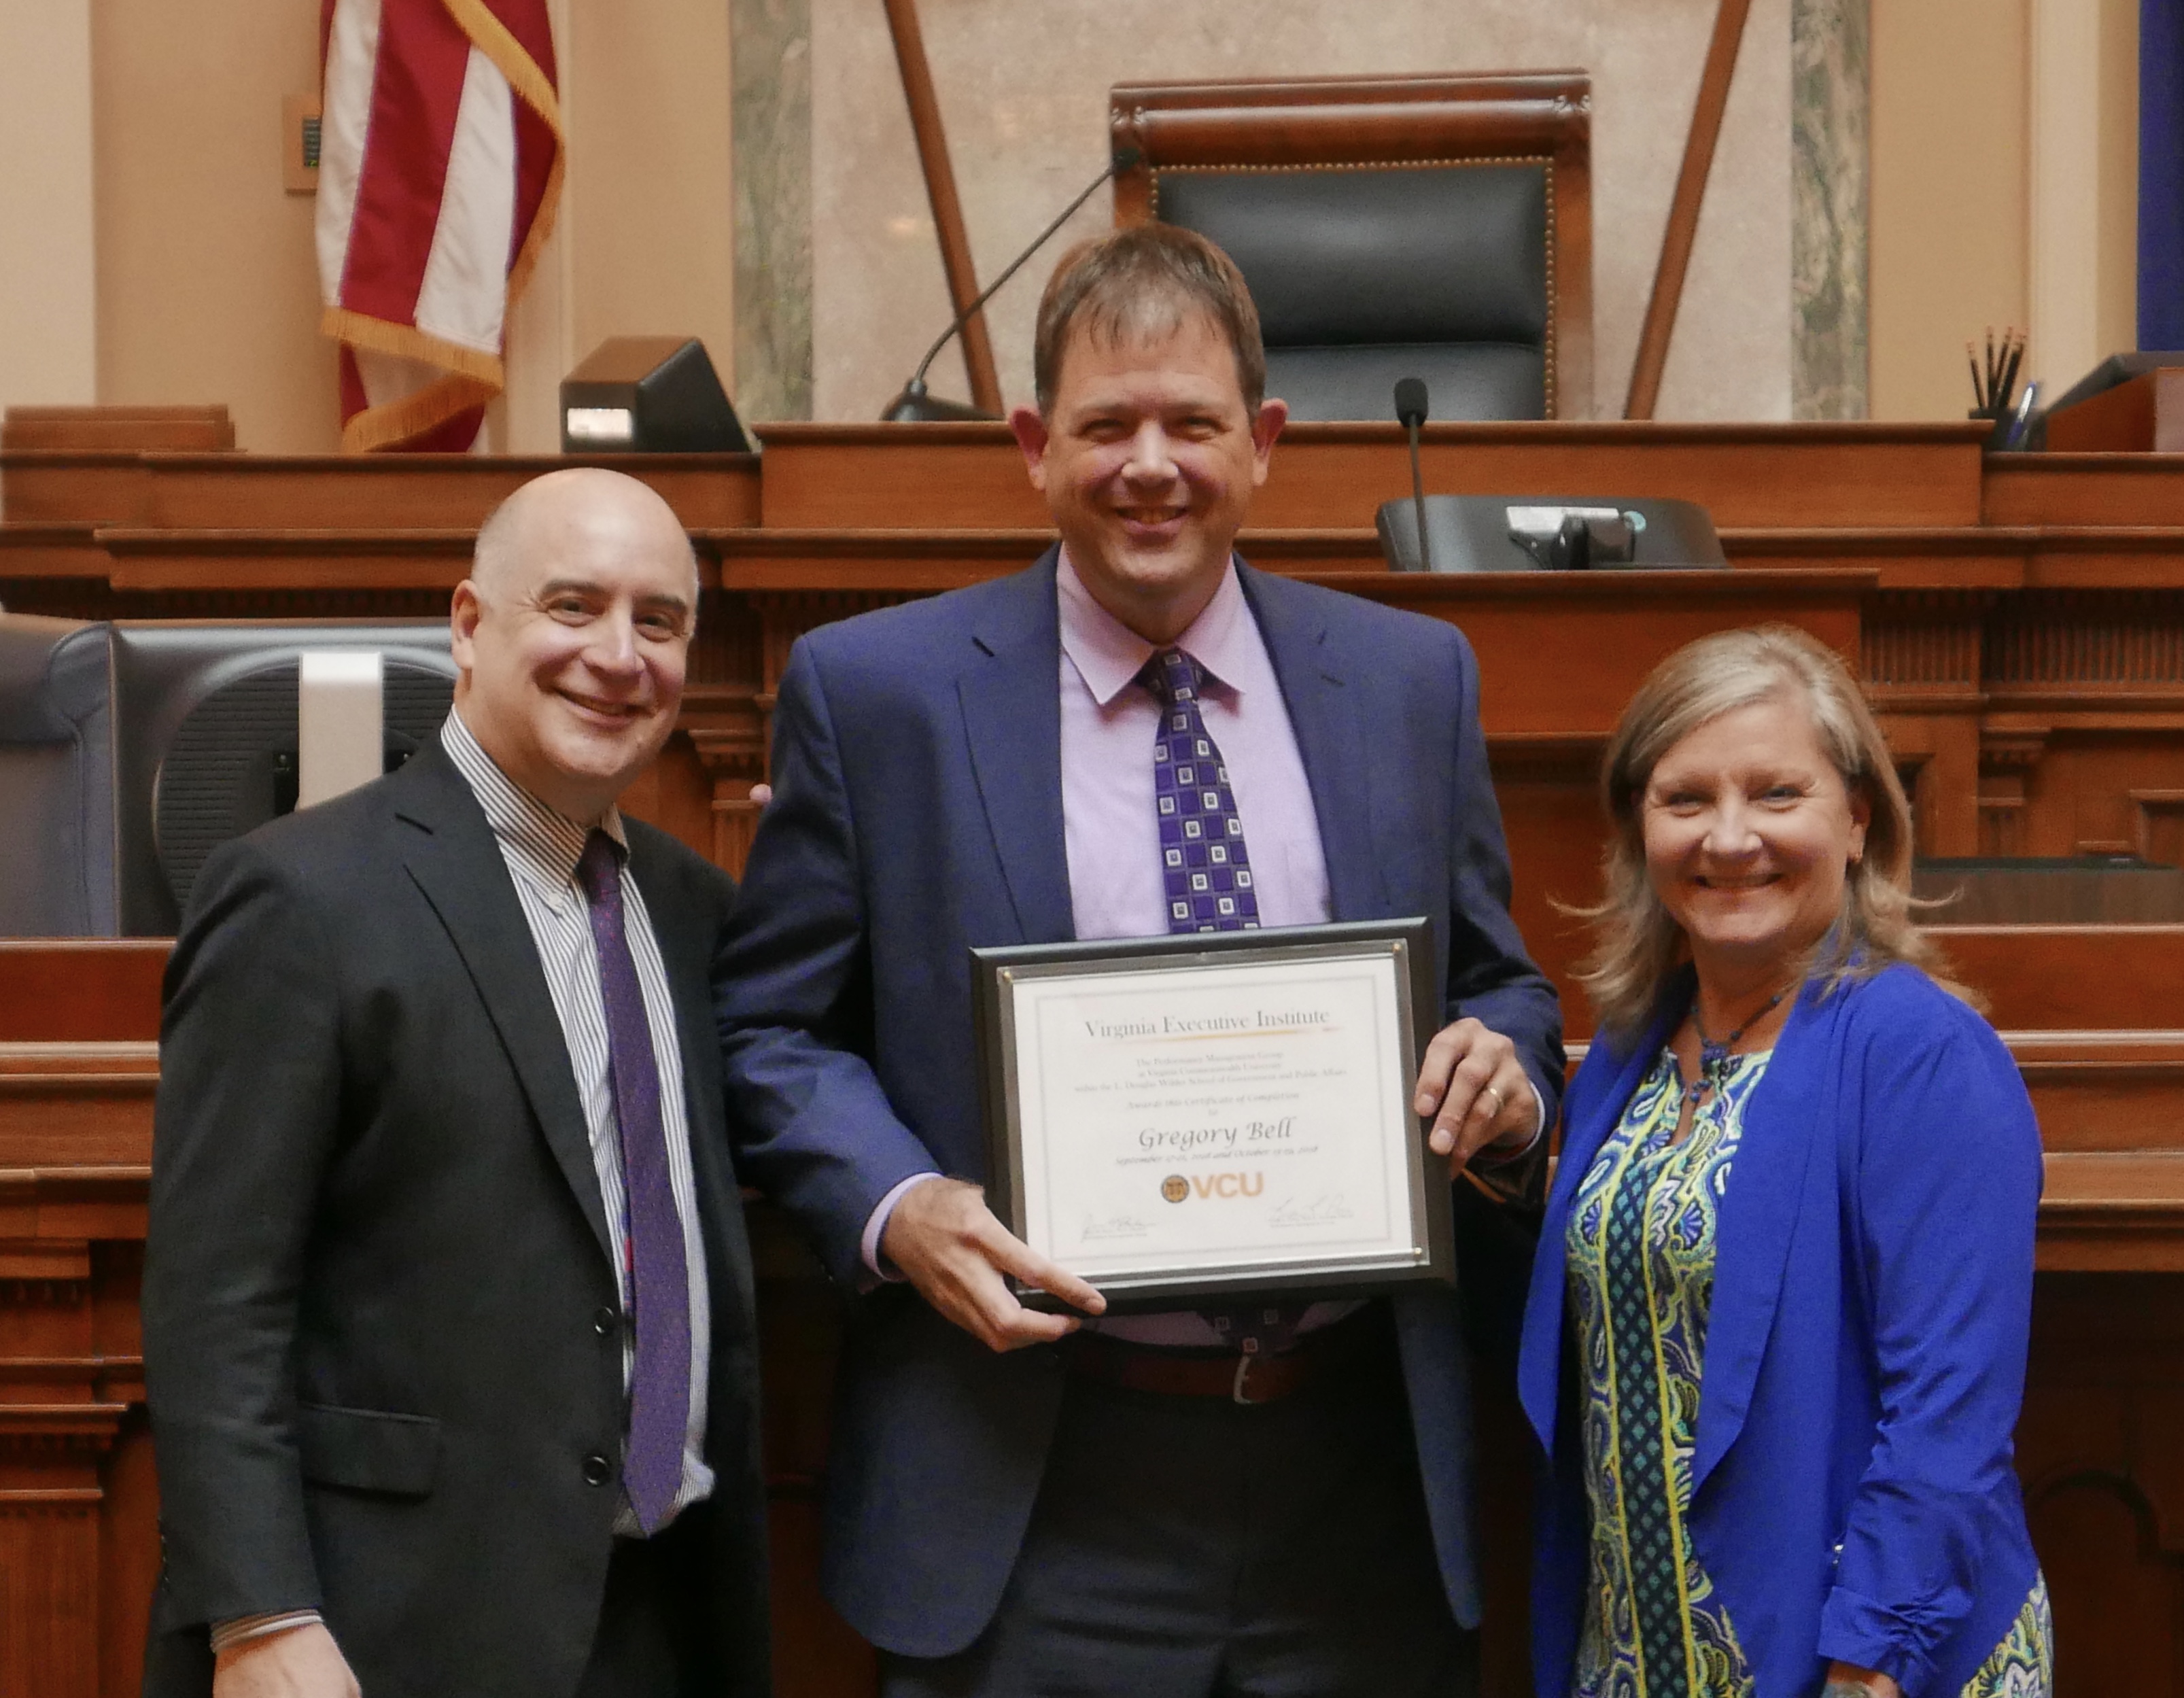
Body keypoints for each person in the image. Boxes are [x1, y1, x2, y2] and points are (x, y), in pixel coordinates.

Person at [715, 224, 1563, 1695]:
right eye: (1105, 425)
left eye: (1191, 422)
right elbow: (768, 1030)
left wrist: (1508, 1068)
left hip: (1350, 1478)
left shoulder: (1409, 680)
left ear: (1264, 444)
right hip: (1032, 1476)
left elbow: (1500, 981)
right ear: (1034, 446)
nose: (1148, 464)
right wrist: (898, 1204)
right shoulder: (878, 697)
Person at [141, 468, 769, 1698]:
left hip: (660, 1613)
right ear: (471, 626)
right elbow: (217, 1295)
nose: (617, 654)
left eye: (659, 621)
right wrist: (258, 1612)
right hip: (389, 1624)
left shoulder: (694, 910)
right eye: (573, 606)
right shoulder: (303, 893)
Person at [1518, 625, 2051, 1698]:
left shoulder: (1917, 1050)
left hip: (1862, 1655)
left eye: (1774, 793)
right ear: (1637, 826)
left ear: (1856, 819)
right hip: (1644, 1648)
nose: (1728, 837)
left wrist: (1874, 1655)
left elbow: (1947, 1405)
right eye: (1684, 799)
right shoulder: (1626, 1047)